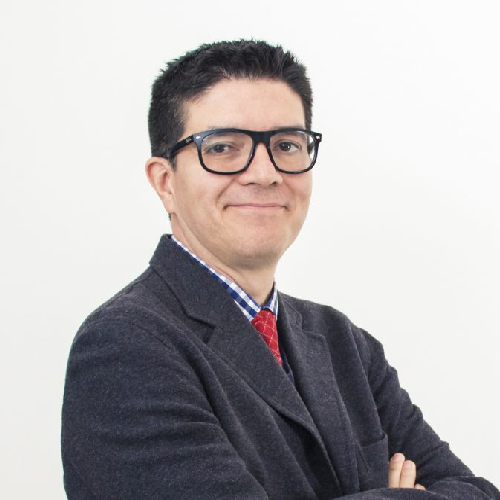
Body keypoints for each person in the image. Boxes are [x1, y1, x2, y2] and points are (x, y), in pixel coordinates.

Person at [61, 40, 499, 500]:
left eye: (286, 145)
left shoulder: (343, 342)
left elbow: (477, 492)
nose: (265, 173)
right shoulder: (126, 346)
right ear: (165, 182)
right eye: (223, 147)